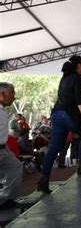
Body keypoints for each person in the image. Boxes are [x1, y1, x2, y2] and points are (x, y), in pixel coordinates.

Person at [37, 56, 81, 194]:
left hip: (56, 115)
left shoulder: (64, 78)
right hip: (69, 115)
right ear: (79, 65)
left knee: (54, 148)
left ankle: (44, 179)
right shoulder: (78, 78)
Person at [0, 82, 22, 210]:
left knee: (15, 166)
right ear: (1, 94)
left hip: (3, 149)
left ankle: (7, 199)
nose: (14, 97)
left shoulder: (2, 110)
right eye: (12, 94)